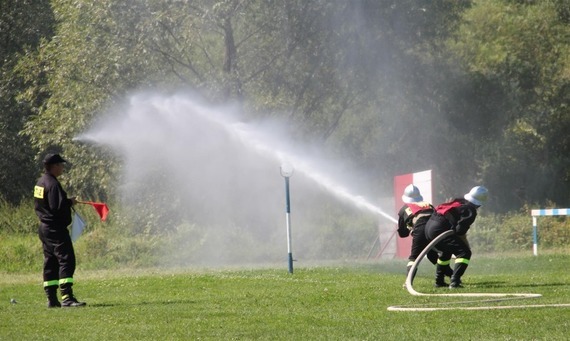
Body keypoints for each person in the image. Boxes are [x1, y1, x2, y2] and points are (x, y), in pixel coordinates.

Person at [34, 153, 86, 308]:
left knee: (50, 262)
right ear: (54, 166)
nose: (62, 168)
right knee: (66, 259)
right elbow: (57, 206)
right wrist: (70, 202)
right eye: (61, 165)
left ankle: (51, 298)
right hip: (55, 229)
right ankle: (67, 297)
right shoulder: (53, 184)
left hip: (45, 228)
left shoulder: (40, 182)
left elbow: (44, 204)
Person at [424, 186, 488, 289]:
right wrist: (465, 245)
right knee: (464, 253)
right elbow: (460, 231)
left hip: (429, 228)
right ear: (479, 203)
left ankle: (439, 281)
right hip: (439, 229)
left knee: (445, 252)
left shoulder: (459, 201)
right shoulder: (470, 210)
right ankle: (455, 282)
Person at [397, 184, 452, 287]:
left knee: (414, 258)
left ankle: (408, 283)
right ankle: (453, 276)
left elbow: (403, 234)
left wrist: (408, 227)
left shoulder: (404, 208)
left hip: (421, 228)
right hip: (435, 228)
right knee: (433, 255)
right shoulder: (428, 204)